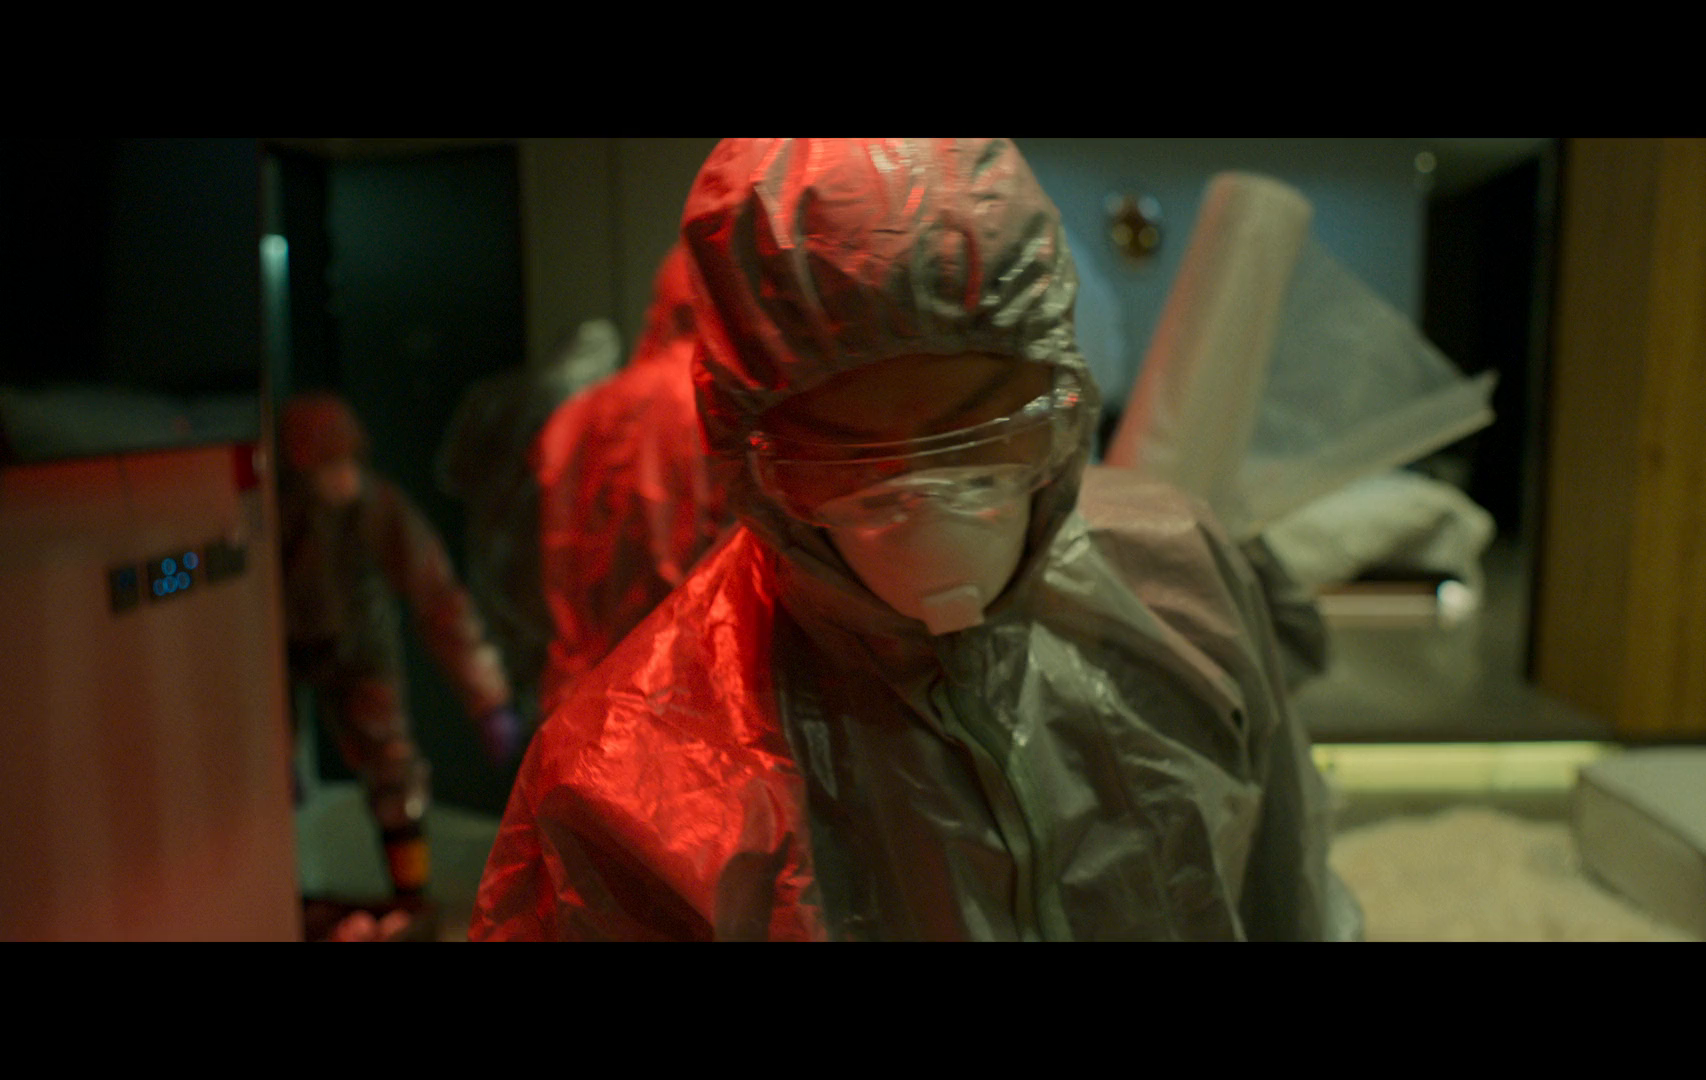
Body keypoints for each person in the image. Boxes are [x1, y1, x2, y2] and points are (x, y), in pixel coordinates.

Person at [471, 138, 1348, 941]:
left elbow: (1286, 896)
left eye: (981, 430)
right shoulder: (625, 789)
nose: (928, 508)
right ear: (750, 450)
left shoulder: (1177, 580)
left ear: (1062, 386)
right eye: (849, 456)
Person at [278, 392, 524, 908]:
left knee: (394, 774)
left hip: (361, 647)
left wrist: (487, 696)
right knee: (265, 773)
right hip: (279, 652)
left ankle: (410, 896)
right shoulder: (274, 514)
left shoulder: (376, 507)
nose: (343, 477)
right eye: (327, 464)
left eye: (349, 461)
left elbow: (439, 600)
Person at [532, 245, 729, 716]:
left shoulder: (578, 416)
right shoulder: (730, 409)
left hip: (588, 699)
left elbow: (553, 565)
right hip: (695, 700)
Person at [436, 319, 624, 718]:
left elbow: (451, 473)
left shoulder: (493, 396)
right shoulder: (600, 412)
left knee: (504, 673)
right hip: (559, 562)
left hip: (493, 551)